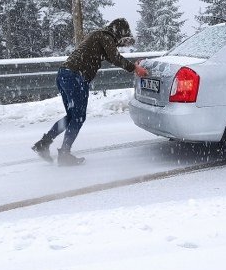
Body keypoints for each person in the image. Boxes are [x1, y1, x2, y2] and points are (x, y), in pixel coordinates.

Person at [32, 18, 149, 166]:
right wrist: (134, 68)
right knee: (78, 117)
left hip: (64, 74)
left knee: (72, 116)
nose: (121, 41)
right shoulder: (105, 37)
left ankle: (44, 143)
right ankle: (64, 154)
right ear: (119, 32)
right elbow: (114, 57)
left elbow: (114, 52)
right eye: (122, 36)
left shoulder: (100, 36)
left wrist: (132, 60)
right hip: (75, 77)